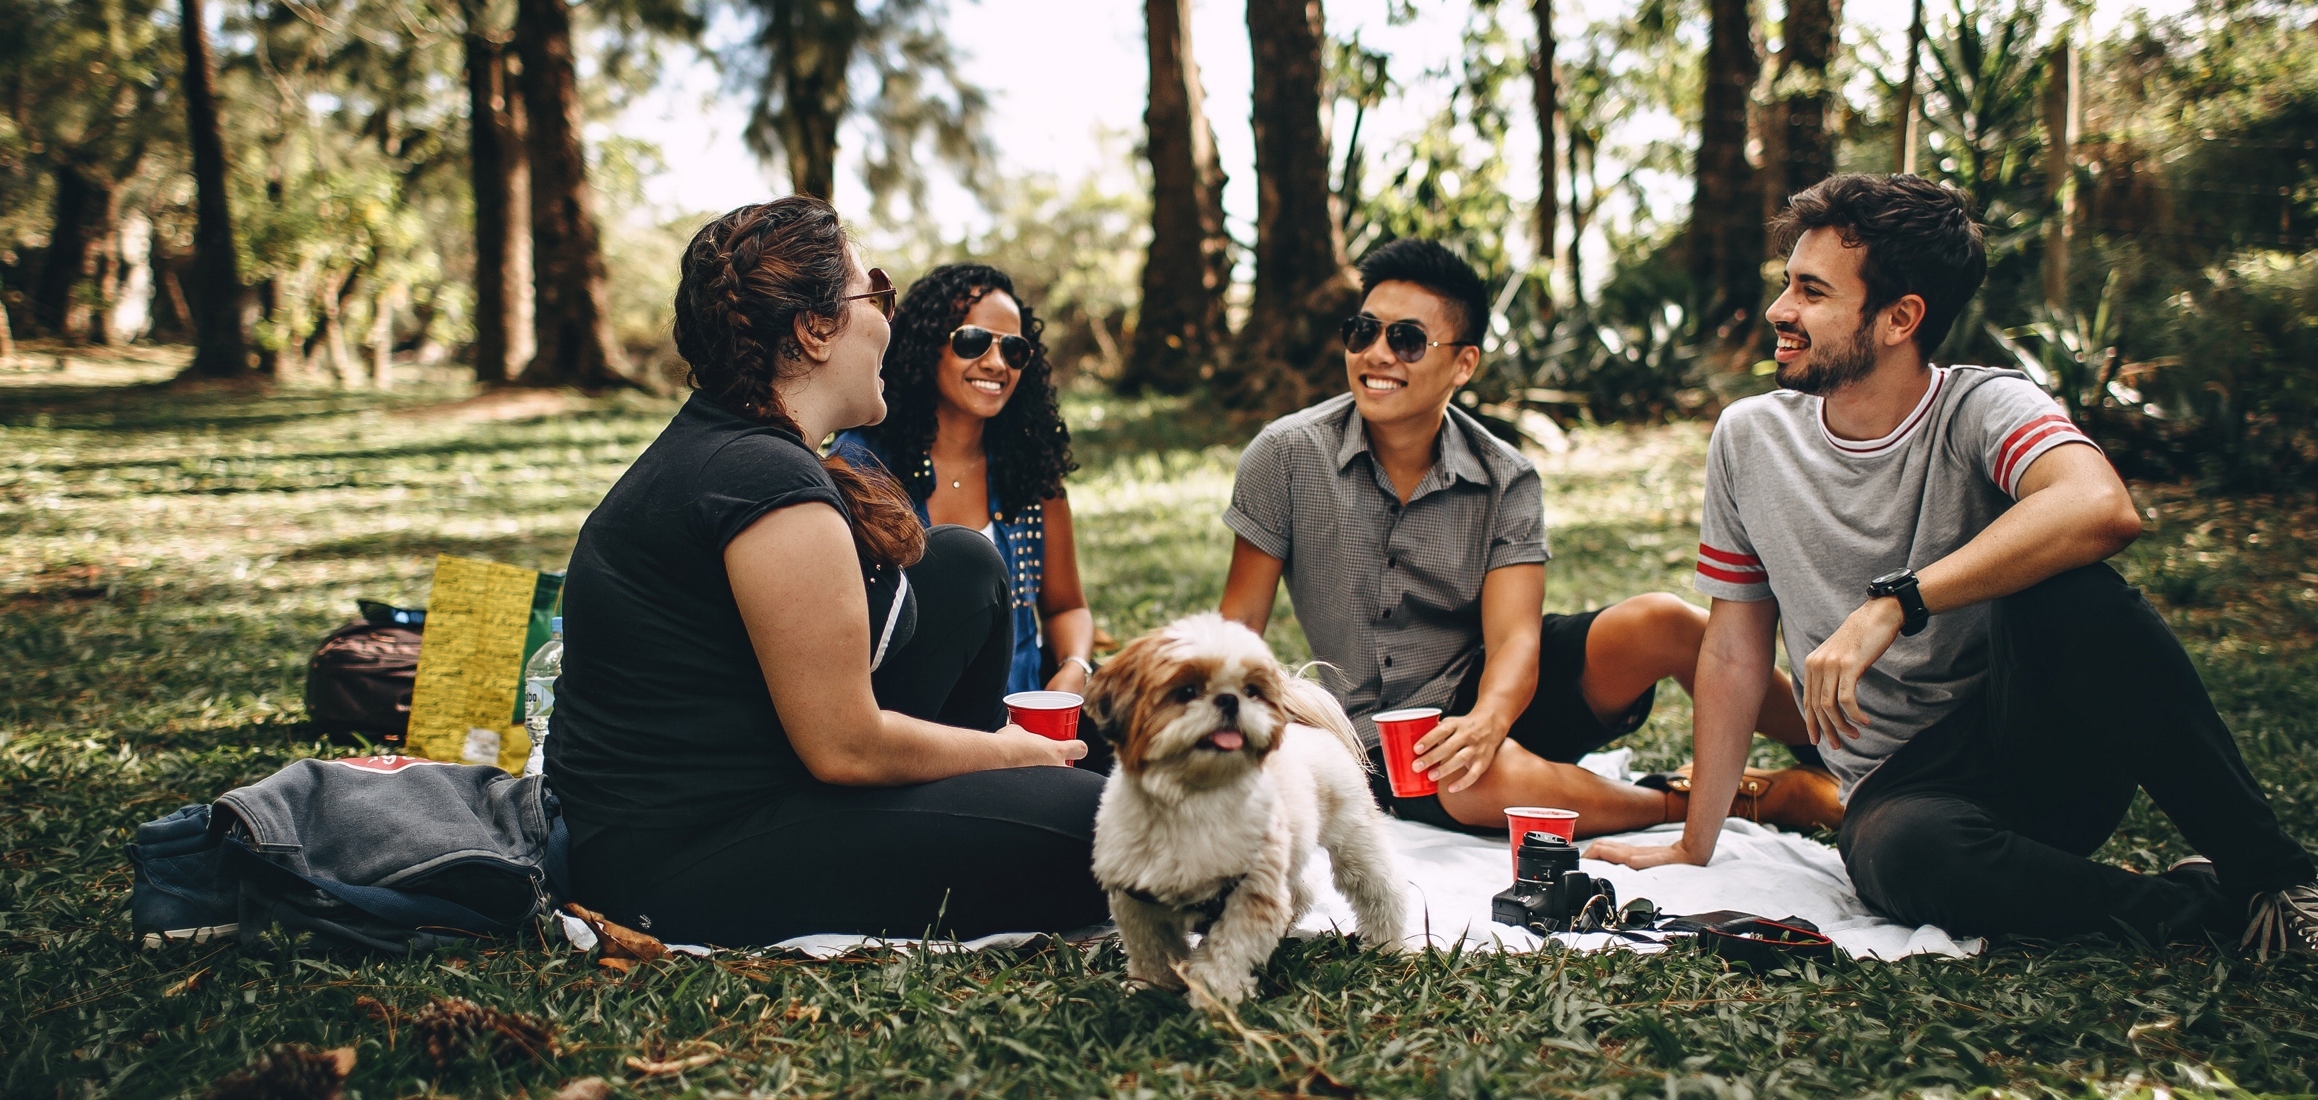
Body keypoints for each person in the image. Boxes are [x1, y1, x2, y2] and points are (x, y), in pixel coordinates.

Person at [1589, 173, 2318, 984]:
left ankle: (2280, 879)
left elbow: (2100, 506)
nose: (1780, 309)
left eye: (1812, 292)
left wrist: (1899, 600)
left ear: (1900, 318)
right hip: (1903, 795)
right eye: (1790, 281)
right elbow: (1736, 650)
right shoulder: (1750, 439)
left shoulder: (1983, 404)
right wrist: (1695, 844)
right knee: (1903, 859)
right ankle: (2229, 907)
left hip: (2038, 745)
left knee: (2071, 591)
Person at [545, 198, 1107, 946]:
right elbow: (846, 748)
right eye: (873, 292)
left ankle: (995, 800)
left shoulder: (742, 447)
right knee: (1103, 829)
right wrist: (1014, 749)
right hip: (679, 855)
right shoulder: (762, 481)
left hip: (761, 773)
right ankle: (1009, 798)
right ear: (814, 330)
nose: (887, 319)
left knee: (963, 565)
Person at [1217, 236, 1839, 837]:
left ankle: (1848, 761)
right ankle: (1725, 799)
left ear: (1463, 363)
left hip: (1499, 688)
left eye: (1406, 339)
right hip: (1386, 738)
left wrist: (1488, 719)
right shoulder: (1286, 456)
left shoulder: (1505, 477)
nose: (1377, 354)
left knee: (1664, 621)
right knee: (1471, 782)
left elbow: (1515, 638)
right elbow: (1239, 624)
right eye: (1363, 332)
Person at [828, 264, 1097, 705]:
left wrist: (1073, 670)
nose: (995, 363)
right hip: (912, 726)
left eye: (1013, 350)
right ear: (925, 346)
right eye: (972, 341)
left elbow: (1066, 606)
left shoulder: (1030, 470)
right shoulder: (861, 465)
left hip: (1024, 721)